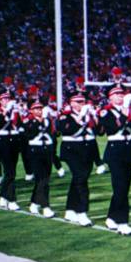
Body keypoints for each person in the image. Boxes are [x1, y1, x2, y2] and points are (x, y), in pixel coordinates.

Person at [97, 82, 131, 235]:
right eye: (116, 94)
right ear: (110, 98)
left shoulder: (129, 109)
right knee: (120, 187)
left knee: (124, 188)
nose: (120, 96)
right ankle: (123, 222)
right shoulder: (105, 112)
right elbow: (113, 127)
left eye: (121, 94)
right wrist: (125, 112)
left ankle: (112, 217)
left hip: (129, 150)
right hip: (115, 151)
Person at [58, 91, 96, 226]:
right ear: (71, 103)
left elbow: (99, 131)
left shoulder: (87, 114)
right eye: (78, 102)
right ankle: (82, 211)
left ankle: (70, 209)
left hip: (86, 150)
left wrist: (93, 116)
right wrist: (81, 116)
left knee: (78, 179)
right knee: (81, 179)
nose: (81, 104)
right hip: (71, 151)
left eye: (83, 102)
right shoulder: (65, 115)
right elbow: (69, 130)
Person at [0, 89, 23, 211]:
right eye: (3, 99)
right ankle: (11, 200)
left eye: (8, 99)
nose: (6, 101)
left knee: (11, 172)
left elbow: (21, 124)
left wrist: (19, 111)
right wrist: (6, 112)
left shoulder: (15, 113)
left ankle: (3, 196)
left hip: (14, 141)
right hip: (2, 142)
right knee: (9, 171)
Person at [24, 100, 56, 217]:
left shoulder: (47, 120)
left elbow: (53, 134)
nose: (39, 110)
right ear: (31, 111)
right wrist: (40, 125)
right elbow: (28, 134)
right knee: (42, 180)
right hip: (35, 152)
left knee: (44, 179)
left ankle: (34, 203)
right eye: (36, 109)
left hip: (46, 151)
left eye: (40, 108)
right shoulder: (29, 121)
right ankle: (45, 206)